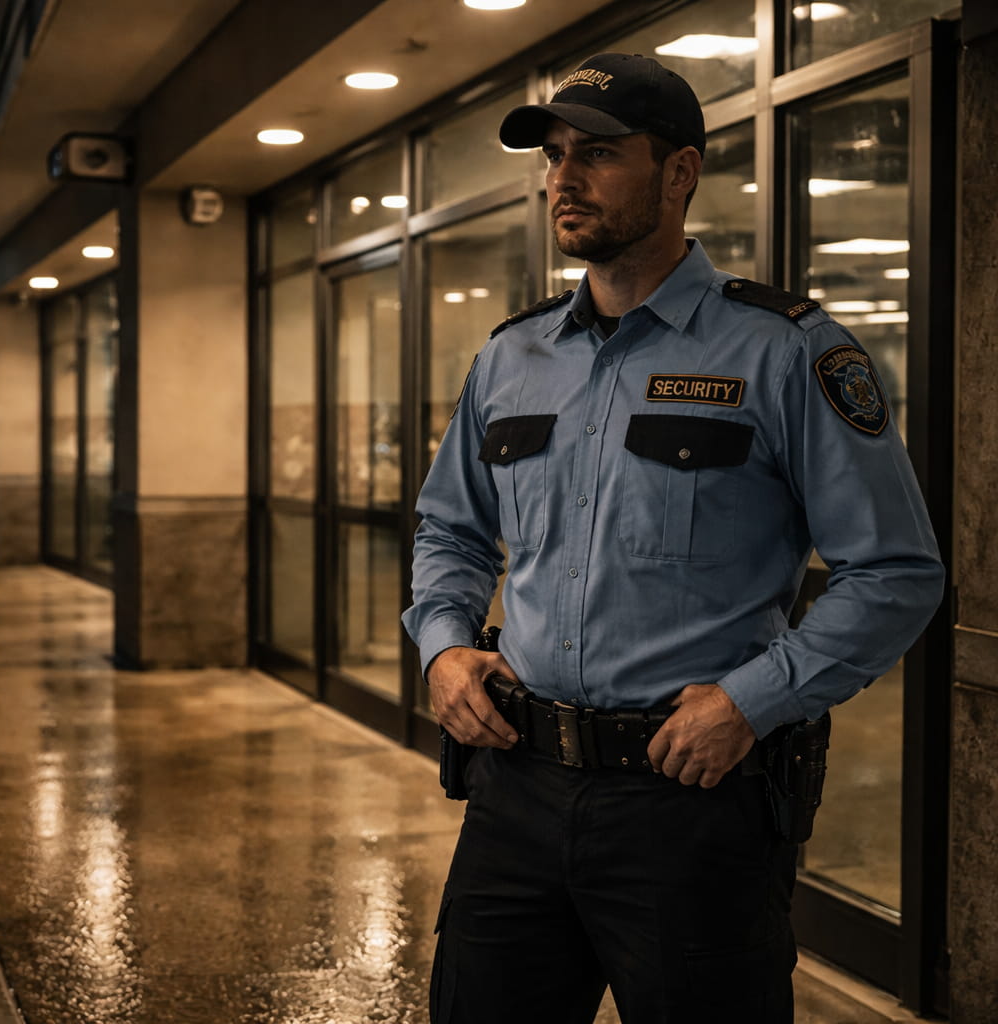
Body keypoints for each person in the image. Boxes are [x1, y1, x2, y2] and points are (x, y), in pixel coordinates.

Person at [403, 52, 943, 1024]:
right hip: (515, 789)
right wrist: (443, 646)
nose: (564, 179)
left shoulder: (784, 349)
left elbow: (895, 571)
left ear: (681, 172)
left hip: (690, 798)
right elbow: (450, 527)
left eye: (598, 153)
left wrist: (751, 700)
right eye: (556, 156)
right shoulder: (512, 356)